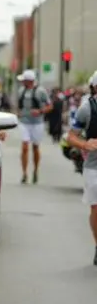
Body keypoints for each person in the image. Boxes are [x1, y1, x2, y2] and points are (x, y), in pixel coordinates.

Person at [66, 72, 97, 265]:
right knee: (96, 207)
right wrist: (84, 145)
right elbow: (71, 136)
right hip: (94, 167)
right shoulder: (87, 108)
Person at [16, 69, 52, 184]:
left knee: (35, 147)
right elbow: (19, 105)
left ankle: (35, 170)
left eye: (24, 80)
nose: (23, 82)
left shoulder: (40, 91)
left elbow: (50, 106)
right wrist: (18, 113)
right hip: (24, 122)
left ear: (29, 81)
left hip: (37, 122)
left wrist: (40, 111)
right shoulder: (21, 91)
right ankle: (24, 173)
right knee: (25, 146)